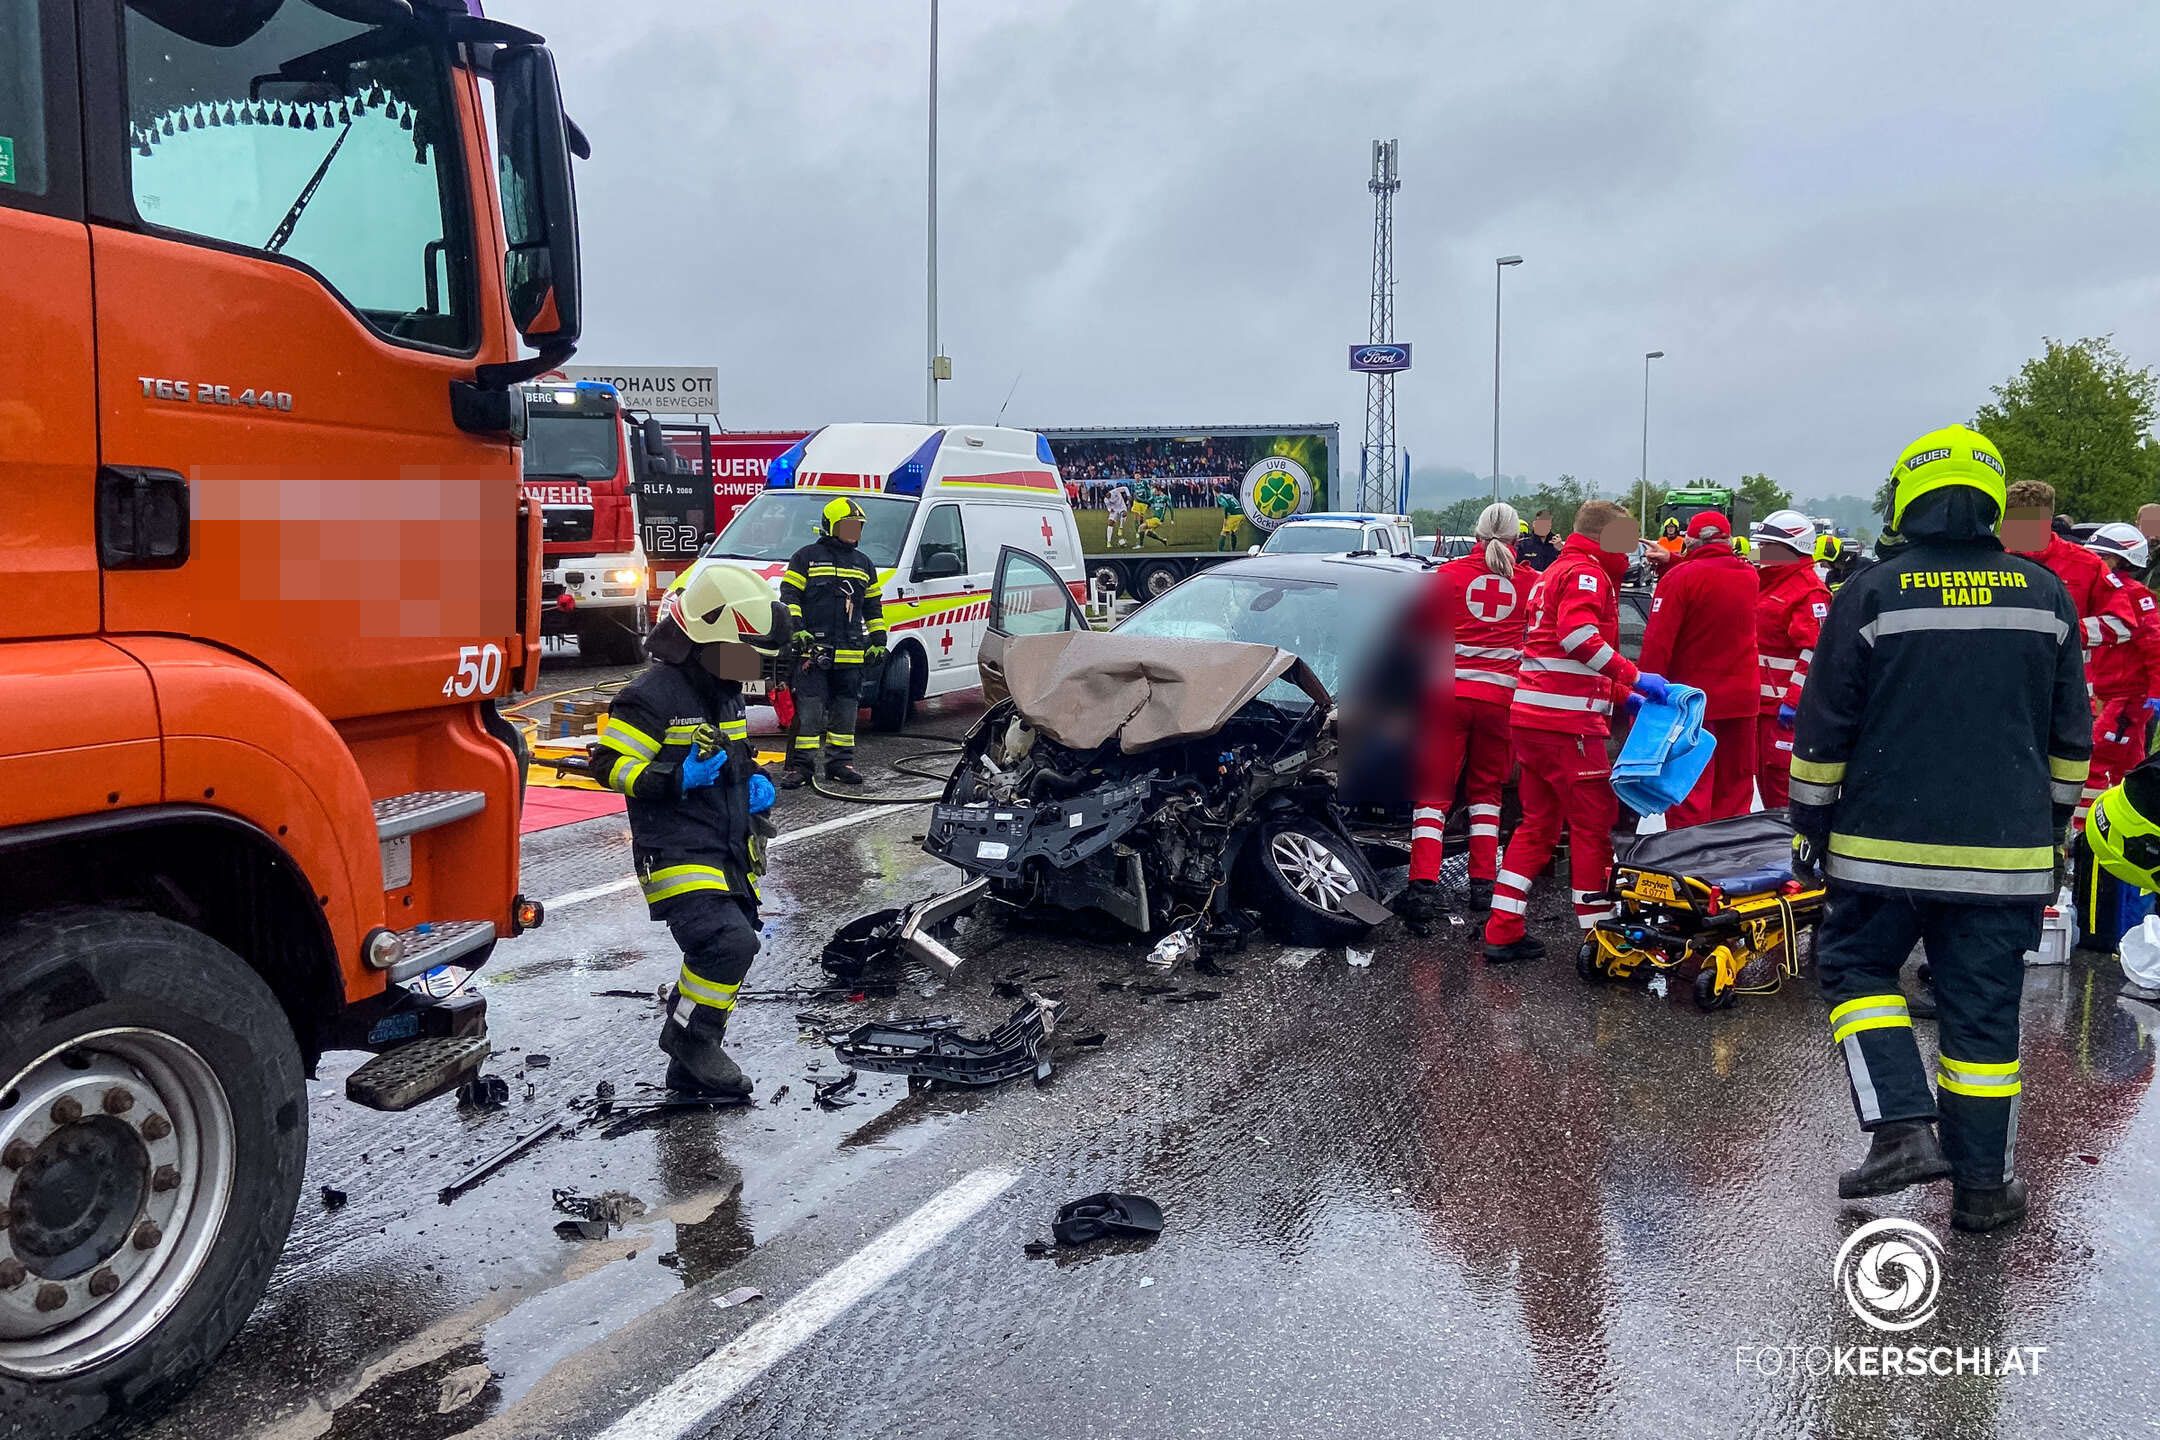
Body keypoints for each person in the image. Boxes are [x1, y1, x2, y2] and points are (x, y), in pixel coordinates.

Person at [1790, 424, 2089, 1233]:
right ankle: (1983, 1191)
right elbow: (2071, 739)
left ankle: (1899, 1129)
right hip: (2008, 856)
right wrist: (2050, 825)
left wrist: (1807, 825)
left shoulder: (1872, 593)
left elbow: (1825, 727)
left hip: (1880, 851)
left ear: (1909, 497)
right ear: (1992, 497)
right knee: (1983, 1018)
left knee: (1855, 968)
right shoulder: (2047, 595)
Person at [594, 564, 787, 1097]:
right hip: (673, 847)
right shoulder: (649, 696)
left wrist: (757, 782)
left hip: (725, 844)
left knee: (733, 945)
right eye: (744, 651)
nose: (750, 667)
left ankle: (691, 1055)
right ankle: (694, 1042)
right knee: (725, 941)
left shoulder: (721, 691)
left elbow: (738, 758)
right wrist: (676, 777)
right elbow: (610, 768)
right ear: (708, 636)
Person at [1484, 500, 1670, 961]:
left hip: (1531, 719)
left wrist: (1623, 697)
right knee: (1592, 827)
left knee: (1537, 825)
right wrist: (1634, 677)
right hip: (1568, 728)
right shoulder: (1588, 575)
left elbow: (1556, 656)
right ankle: (1602, 938)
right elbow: (1577, 638)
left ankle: (1502, 927)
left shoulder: (1553, 573)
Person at [1398, 502, 1528, 931]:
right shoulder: (1529, 582)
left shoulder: (1446, 577)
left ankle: (1422, 887)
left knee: (1434, 795)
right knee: (1487, 794)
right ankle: (1483, 885)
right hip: (1501, 703)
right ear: (1516, 541)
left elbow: (1412, 632)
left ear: (1475, 538)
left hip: (1447, 698)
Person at [1636, 510, 1759, 825]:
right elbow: (1713, 574)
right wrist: (1675, 560)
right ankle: (1729, 866)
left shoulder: (1678, 580)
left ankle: (1691, 867)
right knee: (1734, 792)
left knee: (1690, 792)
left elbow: (1657, 645)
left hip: (1693, 703)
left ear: (1689, 540)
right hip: (1743, 702)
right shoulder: (1749, 576)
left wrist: (1643, 694)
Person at [779, 497, 887, 790]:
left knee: (845, 713)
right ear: (830, 526)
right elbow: (789, 596)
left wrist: (879, 640)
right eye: (847, 526)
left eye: (857, 527)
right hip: (813, 653)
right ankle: (800, 767)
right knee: (810, 713)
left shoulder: (864, 564)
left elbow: (873, 607)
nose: (854, 532)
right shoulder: (806, 558)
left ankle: (840, 764)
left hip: (851, 655)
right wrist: (797, 630)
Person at [2005, 478, 2140, 666]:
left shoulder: (2086, 563)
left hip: (2065, 681)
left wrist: (2063, 634)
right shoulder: (1992, 560)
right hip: (2005, 677)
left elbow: (2122, 623)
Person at [2080, 524, 2160, 829]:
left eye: (2103, 556)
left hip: (2130, 698)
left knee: (2096, 758)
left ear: (2122, 560)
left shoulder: (2137, 597)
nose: (2096, 560)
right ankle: (2130, 820)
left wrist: (2156, 691)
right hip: (2107, 695)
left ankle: (2083, 833)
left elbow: (2154, 648)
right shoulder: (2104, 592)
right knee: (2130, 766)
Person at [1750, 510, 1830, 810]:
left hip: (1784, 713)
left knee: (1782, 792)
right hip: (1759, 707)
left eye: (1767, 546)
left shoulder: (1809, 592)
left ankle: (1791, 854)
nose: (1760, 552)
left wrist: (1794, 700)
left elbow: (1815, 652)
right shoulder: (1766, 581)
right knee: (1762, 785)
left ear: (1793, 549)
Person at [1105, 482, 1131, 548]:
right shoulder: (1106, 499)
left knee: (1124, 514)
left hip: (1122, 506)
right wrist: (1110, 510)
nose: (1107, 496)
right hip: (1114, 509)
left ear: (1109, 492)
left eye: (1107, 494)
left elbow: (1125, 488)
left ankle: (1121, 528)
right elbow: (1108, 507)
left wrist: (1128, 495)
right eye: (1105, 496)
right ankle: (1108, 542)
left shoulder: (1115, 491)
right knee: (1110, 523)